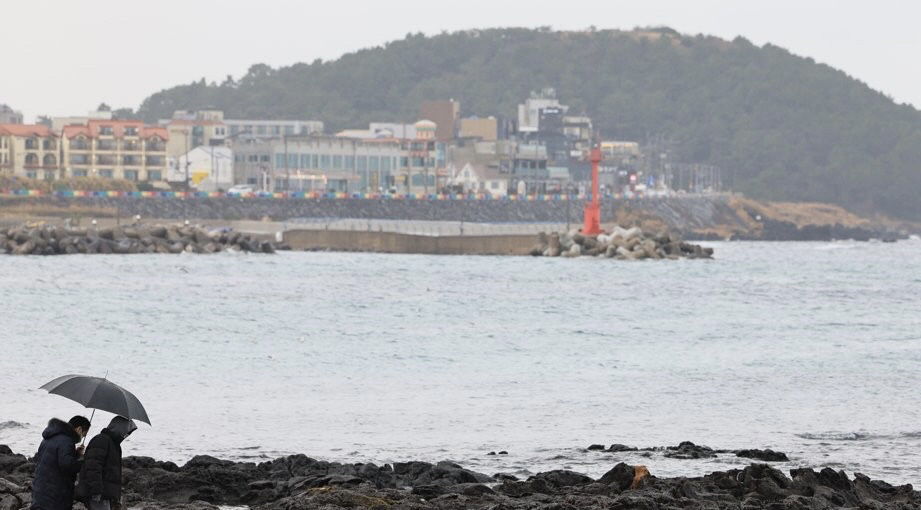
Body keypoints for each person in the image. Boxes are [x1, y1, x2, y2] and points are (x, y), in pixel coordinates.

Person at [76, 416, 137, 510]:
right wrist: (96, 491)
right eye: (125, 432)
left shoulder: (114, 444)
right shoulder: (102, 440)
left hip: (105, 495)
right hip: (97, 494)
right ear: (118, 429)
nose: (126, 435)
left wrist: (116, 497)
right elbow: (93, 467)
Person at [31, 415, 91, 510]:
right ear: (79, 429)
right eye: (84, 434)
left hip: (40, 490)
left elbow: (53, 460)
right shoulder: (67, 441)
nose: (82, 437)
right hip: (55, 494)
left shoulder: (49, 437)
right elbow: (67, 465)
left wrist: (75, 454)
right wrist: (86, 463)